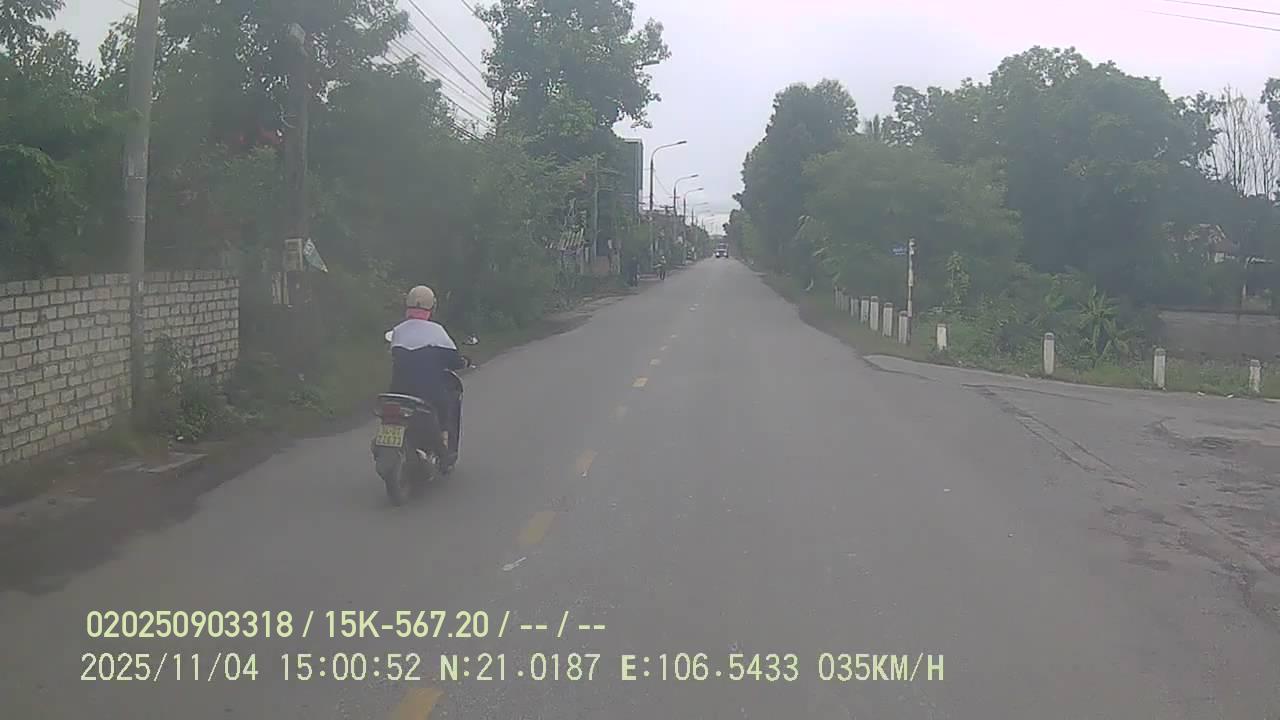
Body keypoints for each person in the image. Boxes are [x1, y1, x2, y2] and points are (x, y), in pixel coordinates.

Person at [388, 286, 467, 461]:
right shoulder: (437, 331)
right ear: (432, 306)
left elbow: (395, 355)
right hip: (428, 392)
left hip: (397, 391)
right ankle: (443, 451)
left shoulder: (398, 330)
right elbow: (454, 360)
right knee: (446, 405)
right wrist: (464, 362)